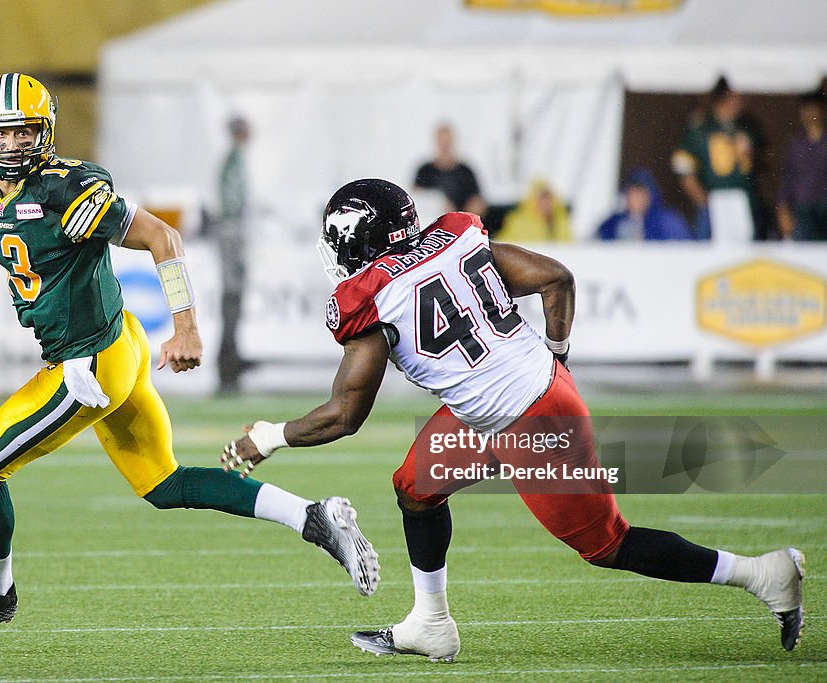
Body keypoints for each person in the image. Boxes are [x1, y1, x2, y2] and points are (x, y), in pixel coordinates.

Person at [221, 178, 805, 662]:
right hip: (521, 397)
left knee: (607, 544)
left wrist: (268, 437)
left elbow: (346, 415)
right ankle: (431, 623)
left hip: (528, 420)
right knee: (415, 487)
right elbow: (557, 279)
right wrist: (557, 355)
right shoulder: (455, 240)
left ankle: (761, 573)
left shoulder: (375, 297)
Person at [0, 74, 379, 631]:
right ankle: (314, 517)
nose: (11, 146)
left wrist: (185, 327)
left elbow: (164, 237)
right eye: (0, 133)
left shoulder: (67, 188)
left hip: (87, 366)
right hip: (118, 343)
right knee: (164, 484)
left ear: (46, 132)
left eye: (23, 132)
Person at [672, 77, 765, 240]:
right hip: (714, 204)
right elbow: (683, 168)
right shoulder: (702, 129)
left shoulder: (748, 126)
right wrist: (703, 201)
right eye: (737, 96)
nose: (741, 102)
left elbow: (765, 163)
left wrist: (749, 152)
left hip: (745, 204)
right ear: (725, 97)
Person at [215, 116, 253, 393]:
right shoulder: (233, 161)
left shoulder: (234, 160)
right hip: (232, 234)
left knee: (234, 297)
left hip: (232, 233)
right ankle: (228, 359)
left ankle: (230, 356)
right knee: (232, 294)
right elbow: (231, 203)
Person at [777, 90, 827, 241]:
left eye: (813, 108)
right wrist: (782, 207)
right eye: (805, 109)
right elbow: (787, 177)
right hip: (803, 207)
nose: (809, 114)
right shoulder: (796, 143)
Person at [596, 168, 692, 241]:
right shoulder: (614, 222)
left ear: (651, 196)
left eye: (641, 194)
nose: (636, 199)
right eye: (632, 194)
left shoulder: (668, 222)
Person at [414, 123, 487, 216]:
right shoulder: (425, 171)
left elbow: (478, 202)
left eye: (447, 141)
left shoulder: (465, 171)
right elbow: (418, 199)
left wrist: (465, 214)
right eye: (442, 141)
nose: (445, 145)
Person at [499, 179, 573, 243]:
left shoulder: (562, 221)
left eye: (548, 200)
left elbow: (569, 246)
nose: (545, 205)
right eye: (541, 200)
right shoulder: (518, 221)